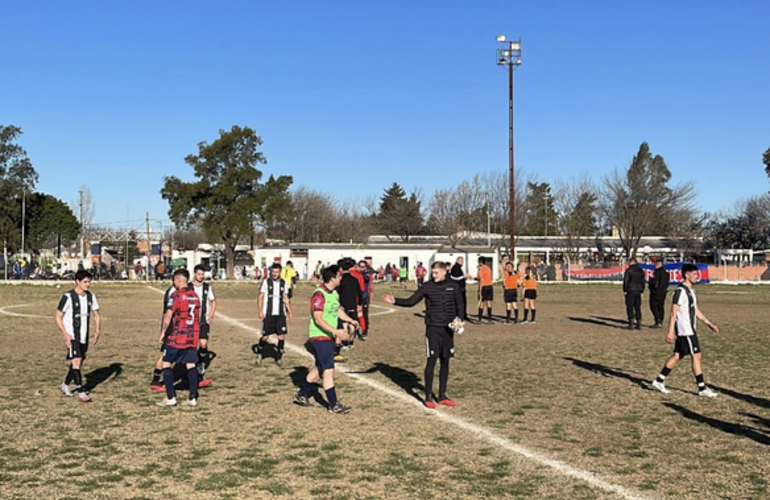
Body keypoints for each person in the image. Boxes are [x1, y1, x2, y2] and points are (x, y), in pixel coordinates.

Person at [383, 262, 463, 408]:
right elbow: (411, 301)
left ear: (444, 272)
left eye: (436, 273)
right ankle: (427, 396)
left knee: (445, 360)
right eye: (432, 273)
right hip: (433, 329)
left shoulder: (454, 286)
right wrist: (395, 301)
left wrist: (460, 318)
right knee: (431, 360)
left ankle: (442, 394)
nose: (433, 275)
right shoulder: (427, 286)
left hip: (448, 330)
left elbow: (460, 304)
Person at [292, 264, 356, 414]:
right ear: (333, 277)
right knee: (329, 371)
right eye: (339, 276)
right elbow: (318, 319)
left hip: (328, 337)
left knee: (320, 369)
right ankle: (333, 405)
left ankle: (302, 395)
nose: (341, 278)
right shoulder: (319, 295)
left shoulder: (333, 294)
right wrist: (336, 332)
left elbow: (337, 312)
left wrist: (351, 321)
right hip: (320, 337)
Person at [651, 263, 719, 398]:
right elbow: (673, 312)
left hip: (690, 329)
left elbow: (695, 310)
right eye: (694, 273)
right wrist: (670, 331)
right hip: (685, 330)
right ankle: (702, 388)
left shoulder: (691, 291)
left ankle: (659, 380)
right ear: (686, 275)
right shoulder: (680, 291)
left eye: (697, 273)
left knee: (678, 355)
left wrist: (708, 323)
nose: (696, 276)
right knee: (696, 355)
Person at [157, 269, 202, 407]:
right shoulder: (195, 296)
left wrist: (163, 332)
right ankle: (192, 398)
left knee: (166, 363)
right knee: (191, 364)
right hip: (192, 335)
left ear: (178, 280)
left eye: (175, 280)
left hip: (178, 335)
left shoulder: (176, 296)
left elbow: (168, 315)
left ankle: (171, 397)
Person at [56, 270, 102, 403]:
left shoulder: (90, 297)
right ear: (77, 282)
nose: (88, 284)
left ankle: (65, 384)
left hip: (84, 335)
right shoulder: (68, 297)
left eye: (89, 282)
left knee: (79, 362)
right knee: (77, 361)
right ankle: (81, 391)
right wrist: (65, 334)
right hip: (72, 336)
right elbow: (58, 316)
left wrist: (98, 330)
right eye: (85, 282)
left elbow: (96, 314)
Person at [255, 263, 294, 366]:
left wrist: (290, 312)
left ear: (280, 272)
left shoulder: (284, 283)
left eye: (277, 272)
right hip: (269, 313)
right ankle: (259, 352)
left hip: (281, 314)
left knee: (281, 336)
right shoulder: (266, 282)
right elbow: (261, 296)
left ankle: (279, 357)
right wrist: (260, 311)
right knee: (265, 337)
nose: (275, 274)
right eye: (273, 272)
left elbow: (286, 299)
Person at [191, 264, 217, 378]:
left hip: (203, 320)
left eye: (203, 274)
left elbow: (213, 301)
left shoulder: (207, 287)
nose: (201, 276)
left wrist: (211, 313)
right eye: (199, 274)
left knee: (203, 343)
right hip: (191, 320)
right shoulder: (188, 287)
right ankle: (190, 364)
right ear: (195, 274)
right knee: (191, 345)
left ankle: (201, 362)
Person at [335, 258, 362, 359]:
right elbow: (360, 293)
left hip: (343, 305)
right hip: (353, 304)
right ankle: (351, 341)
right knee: (353, 324)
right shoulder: (354, 279)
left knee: (344, 324)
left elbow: (337, 293)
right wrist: (359, 304)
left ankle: (344, 342)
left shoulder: (340, 280)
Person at [623, 257, 646, 329]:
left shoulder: (629, 270)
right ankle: (639, 322)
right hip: (638, 290)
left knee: (630, 306)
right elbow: (643, 281)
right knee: (637, 306)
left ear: (631, 262)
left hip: (630, 289)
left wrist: (625, 290)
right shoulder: (641, 270)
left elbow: (626, 281)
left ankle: (631, 322)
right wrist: (642, 290)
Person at [648, 260, 670, 328]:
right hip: (663, 292)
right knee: (661, 306)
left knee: (653, 306)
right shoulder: (666, 273)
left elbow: (654, 282)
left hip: (656, 292)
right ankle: (661, 320)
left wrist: (650, 282)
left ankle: (657, 320)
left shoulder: (657, 272)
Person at [356, 260, 372, 340]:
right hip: (357, 297)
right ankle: (356, 331)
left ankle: (364, 331)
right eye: (360, 267)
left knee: (364, 315)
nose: (361, 269)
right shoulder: (356, 274)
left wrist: (360, 273)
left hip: (364, 297)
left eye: (363, 267)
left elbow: (366, 279)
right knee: (356, 315)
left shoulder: (366, 274)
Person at [450, 257, 469, 321]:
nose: (462, 262)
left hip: (461, 288)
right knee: (460, 302)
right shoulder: (455, 267)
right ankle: (460, 315)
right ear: (457, 260)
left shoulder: (458, 268)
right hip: (459, 289)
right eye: (461, 261)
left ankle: (463, 314)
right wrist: (463, 276)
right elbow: (454, 277)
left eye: (462, 261)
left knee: (463, 302)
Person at [476, 258, 494, 324]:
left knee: (481, 302)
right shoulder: (488, 268)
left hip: (484, 286)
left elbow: (481, 280)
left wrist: (480, 292)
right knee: (489, 303)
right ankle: (490, 319)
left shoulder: (481, 269)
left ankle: (480, 319)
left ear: (480, 262)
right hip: (490, 286)